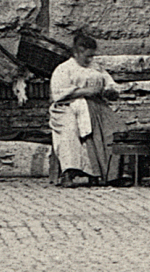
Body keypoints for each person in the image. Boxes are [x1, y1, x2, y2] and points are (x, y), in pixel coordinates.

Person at [49, 32, 124, 187]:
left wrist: (110, 90)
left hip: (96, 105)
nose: (90, 60)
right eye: (87, 56)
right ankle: (68, 172)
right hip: (68, 106)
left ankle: (111, 173)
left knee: (116, 129)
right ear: (77, 53)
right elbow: (58, 94)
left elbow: (109, 82)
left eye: (92, 56)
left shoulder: (96, 68)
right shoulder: (64, 69)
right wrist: (85, 91)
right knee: (70, 131)